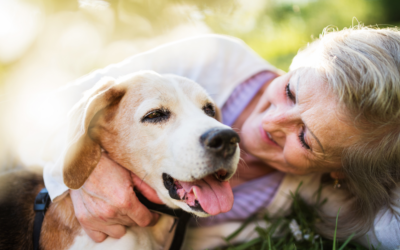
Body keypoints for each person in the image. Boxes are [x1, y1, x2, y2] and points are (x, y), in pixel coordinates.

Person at [38, 26, 400, 249]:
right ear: (297, 63)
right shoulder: (215, 59)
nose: (270, 122)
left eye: (305, 138)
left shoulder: (320, 193)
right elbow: (37, 112)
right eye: (290, 91)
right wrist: (82, 169)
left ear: (340, 171)